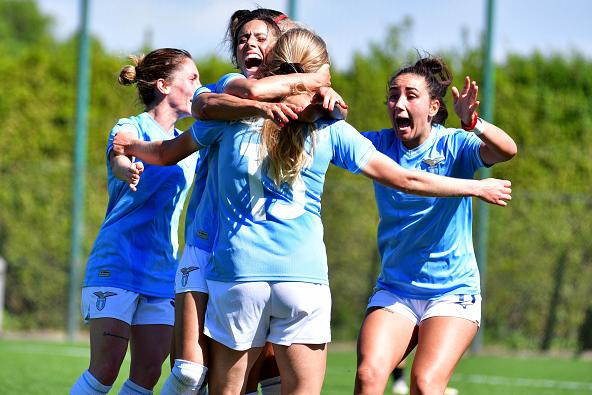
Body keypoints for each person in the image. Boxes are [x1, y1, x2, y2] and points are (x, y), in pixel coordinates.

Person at [112, 29, 511, 395]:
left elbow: (166, 150)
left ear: (272, 69)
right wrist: (475, 186)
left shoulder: (226, 118)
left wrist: (128, 147)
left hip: (238, 275)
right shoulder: (330, 128)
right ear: (319, 76)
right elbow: (408, 180)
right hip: (303, 280)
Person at [160, 9, 337, 395]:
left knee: (267, 375)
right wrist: (309, 81)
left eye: (264, 38)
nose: (251, 45)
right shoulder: (231, 87)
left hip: (262, 258)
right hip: (209, 243)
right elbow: (204, 111)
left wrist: (324, 94)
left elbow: (338, 117)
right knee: (191, 372)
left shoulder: (301, 108)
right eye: (243, 39)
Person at [355, 57, 518, 395]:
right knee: (370, 376)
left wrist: (473, 121)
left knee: (425, 384)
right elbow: (332, 136)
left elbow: (506, 149)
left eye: (410, 96)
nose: (399, 103)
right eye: (393, 95)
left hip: (452, 292)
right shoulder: (377, 146)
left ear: (432, 107)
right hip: (396, 289)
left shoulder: (454, 144)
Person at [69, 48, 200, 395]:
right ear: (163, 85)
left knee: (146, 377)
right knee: (104, 372)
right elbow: (119, 159)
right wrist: (129, 170)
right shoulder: (130, 127)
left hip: (162, 271)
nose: (199, 87)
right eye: (192, 78)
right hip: (118, 263)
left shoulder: (189, 144)